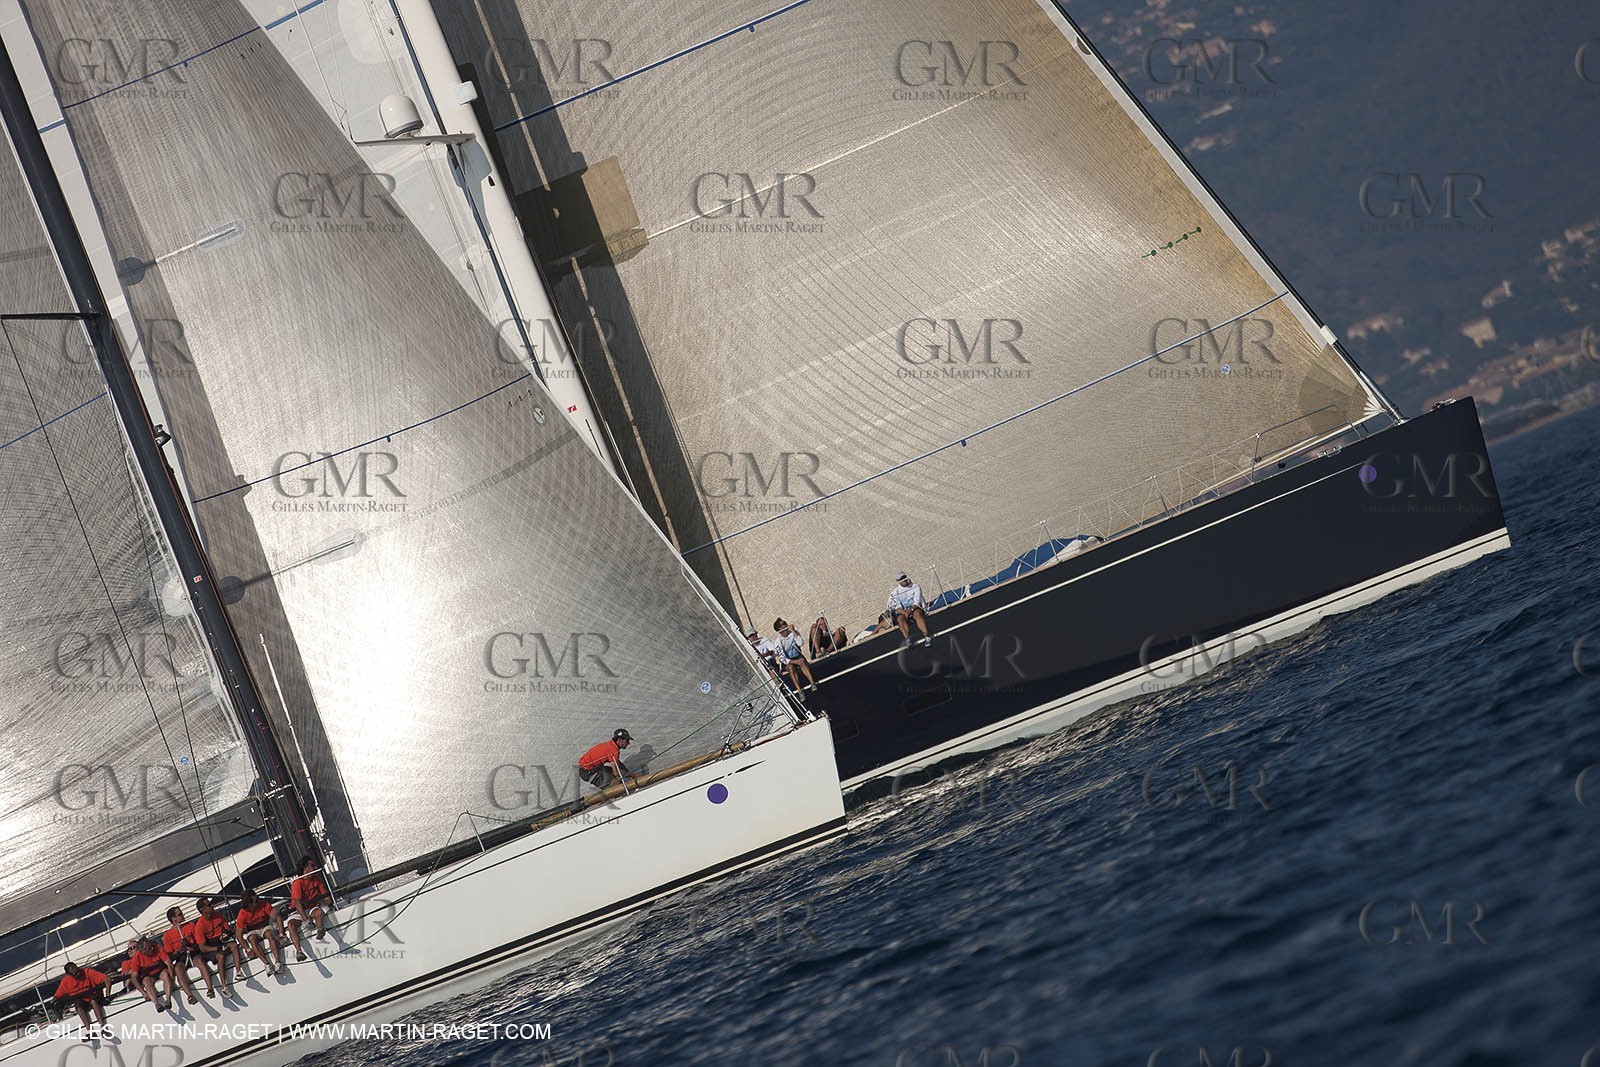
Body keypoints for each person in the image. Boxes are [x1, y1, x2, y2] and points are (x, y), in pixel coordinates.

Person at [191, 897, 239, 997]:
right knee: (220, 956)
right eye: (209, 905)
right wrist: (218, 949)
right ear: (202, 910)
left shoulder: (218, 916)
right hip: (210, 948)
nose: (212, 906)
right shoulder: (199, 926)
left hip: (221, 941)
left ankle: (239, 972)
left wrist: (227, 934)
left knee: (233, 945)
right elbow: (202, 948)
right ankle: (224, 986)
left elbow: (228, 929)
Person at [287, 856, 331, 961]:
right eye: (312, 866)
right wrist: (306, 919)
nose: (314, 867)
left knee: (318, 912)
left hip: (311, 906)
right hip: (298, 910)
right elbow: (298, 903)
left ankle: (320, 929)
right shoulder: (297, 882)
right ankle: (299, 951)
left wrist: (329, 903)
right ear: (305, 868)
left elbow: (325, 895)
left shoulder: (316, 880)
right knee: (291, 925)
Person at [161, 905, 207, 1003]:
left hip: (193, 953)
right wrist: (177, 952)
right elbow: (169, 954)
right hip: (181, 957)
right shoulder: (168, 935)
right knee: (178, 969)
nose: (183, 916)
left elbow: (199, 942)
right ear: (174, 919)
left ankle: (209, 988)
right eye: (180, 914)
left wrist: (190, 945)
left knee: (199, 961)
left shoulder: (190, 926)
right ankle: (189, 996)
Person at [234, 889, 285, 976]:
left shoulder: (263, 904)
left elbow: (277, 916)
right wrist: (247, 948)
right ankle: (267, 964)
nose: (258, 902)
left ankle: (278, 962)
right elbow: (238, 934)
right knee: (251, 939)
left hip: (265, 926)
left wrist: (281, 933)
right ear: (249, 904)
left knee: (270, 934)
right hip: (253, 930)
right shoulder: (242, 913)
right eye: (255, 901)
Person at [53, 962, 110, 1036]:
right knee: (78, 1006)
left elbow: (106, 978)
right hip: (81, 1001)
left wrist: (108, 995)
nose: (78, 974)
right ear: (69, 975)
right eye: (75, 974)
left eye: (78, 971)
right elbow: (57, 995)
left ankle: (102, 1027)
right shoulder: (66, 981)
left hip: (93, 996)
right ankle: (90, 1031)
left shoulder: (87, 972)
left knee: (93, 1001)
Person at [886, 572, 933, 647]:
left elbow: (916, 603)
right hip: (904, 611)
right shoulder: (895, 592)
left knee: (917, 614)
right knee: (900, 619)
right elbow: (897, 607)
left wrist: (909, 611)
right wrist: (905, 613)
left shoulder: (915, 586)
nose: (904, 579)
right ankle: (908, 639)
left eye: (904, 577)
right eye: (901, 578)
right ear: (898, 581)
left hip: (915, 608)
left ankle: (926, 636)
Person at [125, 936, 171, 1012]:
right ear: (143, 951)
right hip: (149, 976)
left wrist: (172, 977)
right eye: (149, 949)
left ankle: (168, 1000)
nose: (152, 949)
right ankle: (157, 1004)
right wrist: (143, 993)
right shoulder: (137, 958)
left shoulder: (157, 947)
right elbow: (134, 977)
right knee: (146, 981)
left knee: (166, 974)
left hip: (160, 971)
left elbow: (168, 963)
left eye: (151, 947)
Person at [772, 618, 818, 693]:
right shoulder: (778, 642)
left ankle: (812, 683)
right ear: (779, 629)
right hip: (788, 660)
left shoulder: (794, 633)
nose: (785, 625)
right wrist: (795, 662)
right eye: (782, 625)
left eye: (785, 623)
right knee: (790, 667)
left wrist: (793, 631)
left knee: (802, 661)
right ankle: (799, 691)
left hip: (797, 656)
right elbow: (782, 658)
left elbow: (800, 643)